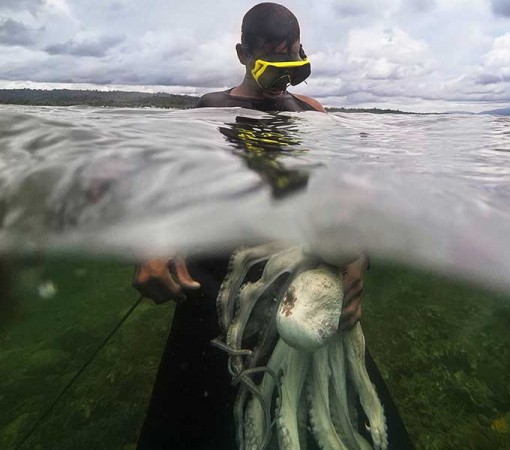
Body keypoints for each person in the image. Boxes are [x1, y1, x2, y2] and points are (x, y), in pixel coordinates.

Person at [134, 3, 412, 449]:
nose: (283, 83)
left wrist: (357, 255)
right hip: (214, 282)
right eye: (271, 69)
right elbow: (166, 187)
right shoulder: (210, 112)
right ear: (242, 53)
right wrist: (153, 242)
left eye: (294, 68)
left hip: (300, 277)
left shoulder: (312, 111)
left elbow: (340, 197)